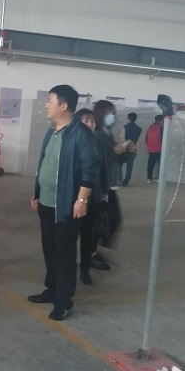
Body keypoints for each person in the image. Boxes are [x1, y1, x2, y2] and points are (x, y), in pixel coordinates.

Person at [28, 85, 98, 321]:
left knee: (65, 253)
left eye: (50, 101)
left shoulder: (81, 134)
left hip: (67, 204)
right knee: (49, 248)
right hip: (47, 202)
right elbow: (45, 163)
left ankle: (64, 301)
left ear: (64, 106)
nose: (46, 105)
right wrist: (37, 192)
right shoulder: (52, 131)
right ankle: (51, 289)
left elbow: (89, 170)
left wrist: (81, 200)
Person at [74, 108, 107, 286]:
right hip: (74, 197)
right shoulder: (72, 142)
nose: (90, 124)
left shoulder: (98, 142)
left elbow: (103, 169)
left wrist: (103, 193)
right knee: (70, 236)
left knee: (87, 235)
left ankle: (85, 269)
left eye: (92, 121)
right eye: (85, 121)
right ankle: (69, 268)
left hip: (92, 197)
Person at [90, 100, 125, 271]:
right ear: (100, 114)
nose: (112, 116)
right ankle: (90, 254)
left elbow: (115, 160)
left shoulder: (107, 133)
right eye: (109, 113)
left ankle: (94, 251)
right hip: (102, 185)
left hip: (109, 184)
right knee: (104, 220)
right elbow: (100, 163)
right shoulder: (98, 135)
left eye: (113, 113)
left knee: (110, 219)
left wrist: (125, 152)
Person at [121, 112, 142, 186]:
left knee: (119, 165)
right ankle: (126, 182)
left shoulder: (125, 127)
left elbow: (122, 139)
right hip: (133, 150)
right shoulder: (139, 129)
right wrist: (134, 148)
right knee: (129, 167)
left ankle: (119, 180)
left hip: (124, 149)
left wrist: (123, 147)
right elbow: (139, 141)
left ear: (128, 118)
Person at [146, 115, 164, 183]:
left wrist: (149, 145)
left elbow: (146, 138)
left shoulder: (150, 127)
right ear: (161, 120)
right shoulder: (161, 128)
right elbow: (162, 139)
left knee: (150, 164)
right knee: (161, 164)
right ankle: (160, 178)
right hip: (159, 148)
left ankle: (149, 179)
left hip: (151, 148)